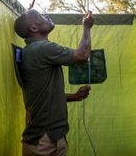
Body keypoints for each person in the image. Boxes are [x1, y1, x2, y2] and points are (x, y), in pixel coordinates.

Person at [14, 9, 94, 156]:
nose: (46, 16)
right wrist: (87, 27)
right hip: (42, 142)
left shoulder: (34, 50)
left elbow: (46, 95)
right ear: (34, 28)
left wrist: (75, 96)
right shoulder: (42, 49)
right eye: (41, 16)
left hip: (51, 137)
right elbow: (82, 55)